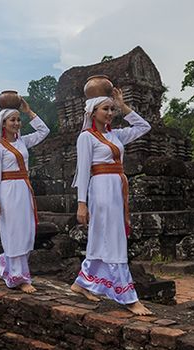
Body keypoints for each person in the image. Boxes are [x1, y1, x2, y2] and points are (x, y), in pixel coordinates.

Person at [70, 87, 153, 315]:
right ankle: (128, 297)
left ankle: (82, 282)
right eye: (105, 109)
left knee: (103, 237)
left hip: (117, 190)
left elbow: (144, 127)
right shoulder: (86, 137)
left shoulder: (115, 135)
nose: (110, 113)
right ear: (92, 112)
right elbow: (84, 171)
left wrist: (122, 104)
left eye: (111, 109)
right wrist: (81, 203)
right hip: (101, 190)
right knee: (113, 239)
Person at [0, 98, 50, 293]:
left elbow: (44, 132)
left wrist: (29, 112)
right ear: (3, 124)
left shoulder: (23, 141)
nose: (16, 123)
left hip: (24, 189)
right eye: (12, 120)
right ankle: (19, 277)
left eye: (17, 119)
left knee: (25, 230)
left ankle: (7, 262)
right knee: (13, 231)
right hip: (7, 191)